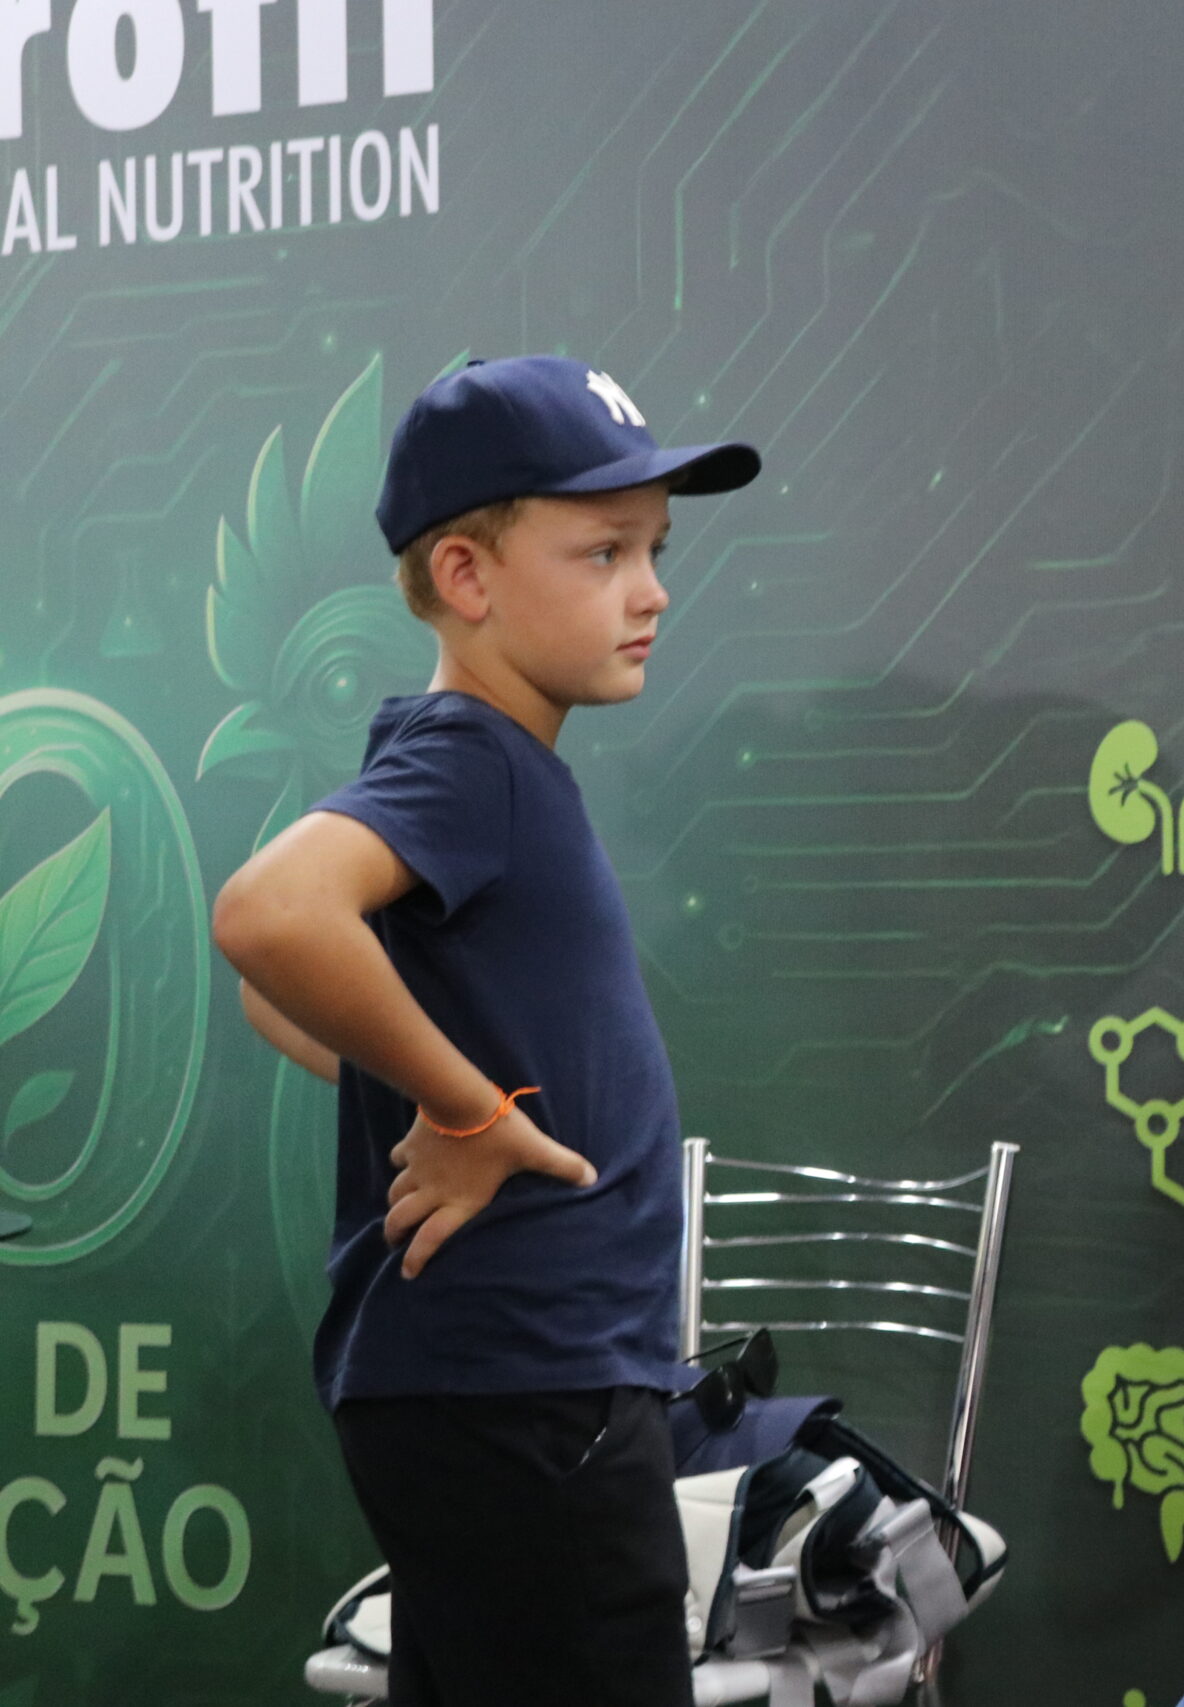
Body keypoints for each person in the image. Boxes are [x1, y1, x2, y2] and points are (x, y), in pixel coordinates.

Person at [214, 356, 760, 1706]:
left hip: (513, 1391)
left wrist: (432, 1091)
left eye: (657, 550)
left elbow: (281, 991)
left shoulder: (481, 765)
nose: (652, 590)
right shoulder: (473, 760)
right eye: (607, 552)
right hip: (531, 1393)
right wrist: (465, 1109)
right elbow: (269, 922)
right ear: (465, 575)